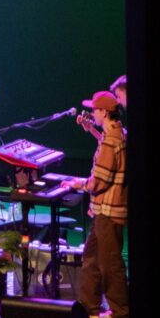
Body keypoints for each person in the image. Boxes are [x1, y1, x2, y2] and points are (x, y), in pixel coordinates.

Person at [63, 91, 128, 318]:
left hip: (108, 212)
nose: (92, 113)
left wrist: (76, 184)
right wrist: (91, 129)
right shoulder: (117, 132)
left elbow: (99, 181)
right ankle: (89, 308)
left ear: (104, 112)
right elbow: (106, 145)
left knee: (110, 265)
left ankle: (121, 311)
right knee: (91, 259)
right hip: (103, 211)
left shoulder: (111, 140)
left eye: (94, 110)